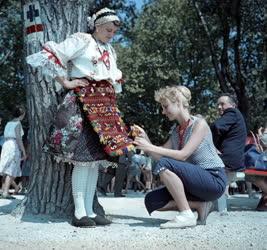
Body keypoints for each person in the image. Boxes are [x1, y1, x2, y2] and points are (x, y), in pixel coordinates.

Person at [26, 8, 134, 227]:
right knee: (83, 160)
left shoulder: (110, 50)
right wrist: (66, 82)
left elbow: (114, 79)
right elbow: (53, 54)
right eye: (108, 29)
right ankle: (79, 212)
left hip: (104, 108)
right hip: (84, 104)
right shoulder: (82, 40)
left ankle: (91, 212)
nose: (111, 33)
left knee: (94, 161)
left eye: (113, 31)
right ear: (96, 26)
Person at [134, 86, 227, 229]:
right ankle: (200, 205)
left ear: (178, 102)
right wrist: (146, 139)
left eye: (165, 107)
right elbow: (159, 155)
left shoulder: (199, 124)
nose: (163, 112)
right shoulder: (176, 132)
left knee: (165, 164)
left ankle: (186, 214)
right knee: (151, 201)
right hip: (194, 184)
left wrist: (149, 147)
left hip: (213, 179)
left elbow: (183, 155)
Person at [210, 94, 247, 193]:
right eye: (218, 104)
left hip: (228, 160)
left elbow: (216, 126)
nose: (219, 107)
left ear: (233, 105)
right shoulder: (234, 117)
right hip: (232, 159)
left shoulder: (232, 113)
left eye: (222, 104)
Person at [0, 106, 27, 199]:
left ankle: (3, 189)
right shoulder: (18, 124)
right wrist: (24, 151)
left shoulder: (8, 123)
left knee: (6, 168)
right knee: (11, 169)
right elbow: (19, 139)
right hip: (13, 145)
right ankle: (5, 192)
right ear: (22, 114)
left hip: (6, 145)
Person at [245, 122, 267, 211]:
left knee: (252, 175)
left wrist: (261, 134)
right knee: (250, 175)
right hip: (263, 161)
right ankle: (265, 197)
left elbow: (265, 141)